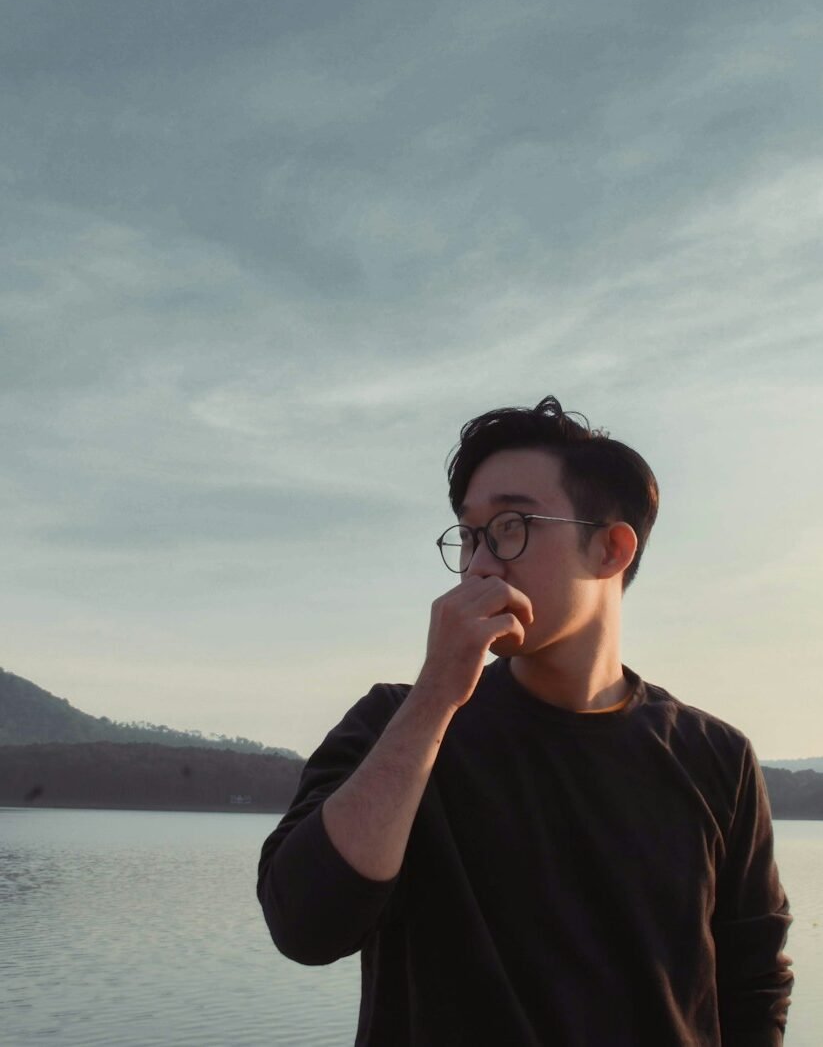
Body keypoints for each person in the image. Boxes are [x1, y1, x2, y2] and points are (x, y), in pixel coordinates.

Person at [258, 396, 793, 1046]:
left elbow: (753, 979)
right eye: (470, 535)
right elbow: (305, 927)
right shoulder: (394, 724)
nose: (480, 563)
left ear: (609, 549)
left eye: (510, 526)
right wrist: (433, 697)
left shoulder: (714, 757)